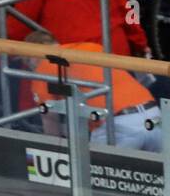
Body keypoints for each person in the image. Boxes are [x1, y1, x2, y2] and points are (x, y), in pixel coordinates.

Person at [24, 32, 161, 151]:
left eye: (29, 64)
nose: (31, 68)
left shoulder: (43, 67)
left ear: (33, 56)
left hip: (118, 125)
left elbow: (50, 122)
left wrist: (52, 153)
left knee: (98, 178)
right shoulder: (92, 47)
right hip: (155, 117)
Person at [6, 0, 149, 57]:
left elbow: (18, 27)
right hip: (113, 52)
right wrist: (140, 44)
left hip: (70, 60)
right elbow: (126, 8)